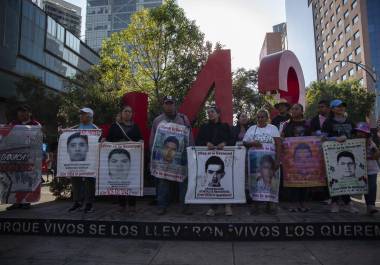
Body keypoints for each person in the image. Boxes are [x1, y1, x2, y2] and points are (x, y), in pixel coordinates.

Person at [150, 96, 193, 215]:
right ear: (163, 105)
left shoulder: (184, 119)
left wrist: (190, 152)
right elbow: (153, 139)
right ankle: (162, 206)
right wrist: (153, 154)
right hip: (163, 159)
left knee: (183, 181)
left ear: (175, 105)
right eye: (167, 104)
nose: (169, 106)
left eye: (171, 103)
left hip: (180, 159)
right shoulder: (157, 120)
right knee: (163, 182)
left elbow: (189, 136)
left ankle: (185, 207)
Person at [322, 99, 358, 213]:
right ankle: (334, 203)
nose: (341, 108)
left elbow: (357, 135)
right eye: (338, 106)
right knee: (335, 178)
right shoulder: (328, 122)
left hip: (349, 154)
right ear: (332, 109)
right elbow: (322, 138)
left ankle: (348, 203)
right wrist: (335, 139)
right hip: (333, 156)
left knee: (347, 178)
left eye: (343, 106)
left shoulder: (350, 121)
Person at [196, 106, 234, 216]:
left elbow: (232, 139)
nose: (210, 114)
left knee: (226, 181)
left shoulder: (225, 126)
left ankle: (228, 206)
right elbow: (198, 140)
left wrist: (225, 143)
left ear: (218, 114)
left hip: (224, 160)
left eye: (212, 112)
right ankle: (213, 207)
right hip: (210, 161)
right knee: (212, 183)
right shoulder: (204, 127)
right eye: (208, 112)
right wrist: (206, 143)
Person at [243, 109, 281, 214]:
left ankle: (270, 205)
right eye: (258, 117)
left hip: (271, 162)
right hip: (255, 163)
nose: (260, 119)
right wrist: (252, 144)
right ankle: (255, 206)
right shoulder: (251, 129)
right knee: (255, 182)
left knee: (271, 182)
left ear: (267, 118)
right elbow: (244, 143)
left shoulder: (273, 128)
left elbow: (278, 144)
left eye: (262, 117)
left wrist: (278, 160)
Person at [106, 105, 142, 212]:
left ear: (132, 114)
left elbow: (140, 138)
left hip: (131, 160)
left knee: (131, 180)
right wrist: (104, 141)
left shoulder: (135, 127)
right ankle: (121, 204)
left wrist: (141, 141)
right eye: (126, 111)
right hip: (118, 159)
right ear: (121, 113)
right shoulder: (114, 126)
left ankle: (132, 205)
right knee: (120, 181)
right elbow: (109, 140)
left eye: (130, 112)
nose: (128, 113)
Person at [6, 105, 41, 211]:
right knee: (15, 180)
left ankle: (26, 201)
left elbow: (38, 139)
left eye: (23, 111)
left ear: (29, 113)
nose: (21, 114)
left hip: (30, 158)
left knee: (27, 180)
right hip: (15, 157)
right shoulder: (13, 124)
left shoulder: (36, 125)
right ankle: (16, 202)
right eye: (19, 112)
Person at [68, 107, 99, 214]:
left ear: (90, 116)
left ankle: (89, 204)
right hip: (76, 160)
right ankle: (77, 202)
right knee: (76, 179)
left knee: (90, 181)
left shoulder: (95, 129)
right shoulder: (75, 127)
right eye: (80, 114)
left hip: (90, 160)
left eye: (83, 114)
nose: (80, 116)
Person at [281, 103, 311, 212]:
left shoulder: (308, 124)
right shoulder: (286, 124)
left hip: (306, 159)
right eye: (292, 109)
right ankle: (293, 203)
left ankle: (303, 202)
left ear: (302, 111)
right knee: (292, 179)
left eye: (296, 109)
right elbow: (282, 137)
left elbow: (314, 138)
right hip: (291, 157)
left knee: (305, 179)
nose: (293, 110)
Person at [354, 122, 379, 215]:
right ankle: (368, 205)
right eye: (359, 132)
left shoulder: (371, 143)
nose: (360, 134)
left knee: (372, 186)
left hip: (372, 169)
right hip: (360, 169)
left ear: (367, 133)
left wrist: (369, 148)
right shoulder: (354, 142)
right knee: (365, 187)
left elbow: (377, 155)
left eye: (363, 132)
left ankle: (371, 205)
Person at [232, 112, 252, 203]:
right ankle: (238, 195)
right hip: (237, 155)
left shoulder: (252, 129)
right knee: (238, 173)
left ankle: (248, 195)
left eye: (245, 117)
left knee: (248, 173)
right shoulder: (233, 129)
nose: (244, 118)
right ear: (238, 119)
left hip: (249, 154)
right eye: (242, 116)